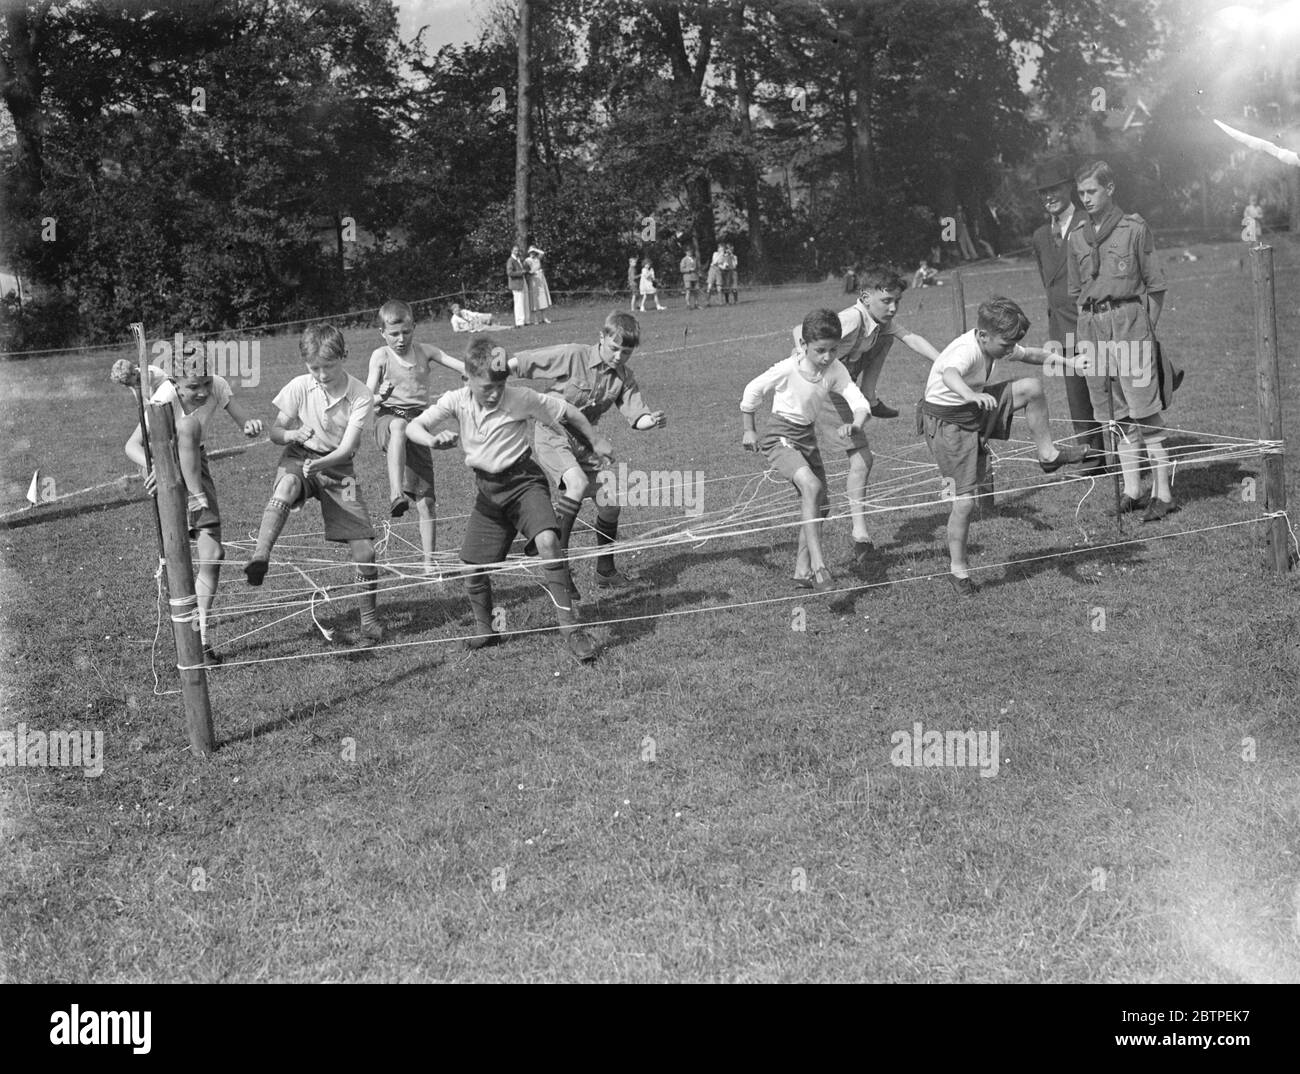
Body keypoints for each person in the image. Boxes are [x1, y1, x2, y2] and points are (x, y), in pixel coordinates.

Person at [404, 338, 615, 662]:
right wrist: (432, 439)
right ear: (468, 379)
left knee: (547, 540)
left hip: (524, 482)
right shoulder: (455, 400)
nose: (494, 393)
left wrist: (597, 440)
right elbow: (413, 427)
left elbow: (568, 411)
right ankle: (485, 630)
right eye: (486, 387)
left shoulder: (521, 398)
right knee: (470, 569)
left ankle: (571, 630)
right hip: (489, 493)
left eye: (499, 386)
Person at [920, 297, 1102, 596]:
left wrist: (1070, 363)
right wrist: (970, 395)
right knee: (964, 503)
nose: (1009, 350)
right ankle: (958, 571)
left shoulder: (995, 343)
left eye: (1010, 345)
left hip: (976, 405)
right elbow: (949, 375)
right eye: (1005, 345)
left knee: (1031, 387)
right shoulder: (965, 350)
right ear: (982, 336)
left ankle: (1048, 454)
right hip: (949, 424)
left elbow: (1031, 354)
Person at [244, 324, 383, 645]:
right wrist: (292, 435)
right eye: (314, 367)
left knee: (365, 550)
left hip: (338, 467)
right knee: (287, 485)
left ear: (344, 356)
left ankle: (369, 621)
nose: (321, 374)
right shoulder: (298, 386)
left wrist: (320, 465)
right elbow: (276, 433)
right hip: (299, 456)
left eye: (328, 366)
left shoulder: (360, 394)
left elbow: (348, 448)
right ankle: (260, 556)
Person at [509, 311, 666, 597]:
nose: (619, 356)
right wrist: (490, 371)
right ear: (602, 337)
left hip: (587, 443)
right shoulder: (573, 355)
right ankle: (560, 569)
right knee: (577, 485)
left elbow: (637, 415)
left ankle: (605, 572)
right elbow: (526, 361)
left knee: (612, 502)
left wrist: (650, 421)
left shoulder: (624, 378)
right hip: (553, 435)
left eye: (626, 352)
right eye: (614, 348)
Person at [793, 266, 944, 560]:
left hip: (845, 386)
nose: (893, 307)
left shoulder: (878, 321)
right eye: (886, 300)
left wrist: (944, 362)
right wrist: (806, 369)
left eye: (897, 301)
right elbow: (800, 332)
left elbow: (911, 338)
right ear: (865, 296)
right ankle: (859, 534)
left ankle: (870, 397)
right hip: (827, 390)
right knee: (862, 460)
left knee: (888, 335)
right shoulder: (851, 318)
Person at [124, 350, 264, 666]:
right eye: (192, 387)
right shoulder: (163, 397)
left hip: (197, 469)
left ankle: (200, 640)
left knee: (213, 556)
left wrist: (250, 424)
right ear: (175, 383)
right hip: (166, 471)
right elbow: (132, 445)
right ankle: (185, 636)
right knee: (178, 562)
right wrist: (157, 470)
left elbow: (242, 418)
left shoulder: (217, 386)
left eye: (205, 383)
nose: (201, 392)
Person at [1067, 160, 1178, 523]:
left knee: (1145, 412)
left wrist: (1144, 331)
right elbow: (1076, 292)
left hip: (1129, 323)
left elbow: (1156, 285)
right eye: (1081, 193)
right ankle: (1132, 490)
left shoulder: (1134, 228)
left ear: (1110, 188)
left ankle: (1163, 493)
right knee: (1115, 416)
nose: (1085, 199)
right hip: (1092, 327)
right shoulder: (1077, 236)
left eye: (1092, 191)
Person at [742, 308, 871, 592]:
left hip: (806, 437)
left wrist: (857, 424)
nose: (827, 357)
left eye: (833, 350)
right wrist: (749, 428)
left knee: (821, 505)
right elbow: (753, 390)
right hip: (779, 436)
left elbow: (859, 402)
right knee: (811, 487)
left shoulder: (835, 369)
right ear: (803, 345)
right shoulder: (788, 368)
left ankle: (801, 572)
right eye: (820, 350)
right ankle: (819, 566)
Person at [1030, 157, 1105, 463]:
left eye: (1055, 189)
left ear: (1069, 189)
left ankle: (1131, 462)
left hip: (1093, 324)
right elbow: (1051, 286)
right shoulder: (1039, 236)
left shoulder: (1090, 222)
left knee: (1108, 393)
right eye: (1042, 192)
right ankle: (1092, 459)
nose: (1049, 196)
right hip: (1063, 329)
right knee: (1077, 397)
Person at [506, 245, 532, 328]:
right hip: (516, 284)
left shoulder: (519, 260)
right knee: (519, 303)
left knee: (525, 301)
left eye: (517, 251)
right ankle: (520, 321)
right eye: (515, 251)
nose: (517, 252)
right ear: (512, 251)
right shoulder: (510, 260)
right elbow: (509, 273)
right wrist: (521, 272)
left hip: (522, 281)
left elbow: (525, 268)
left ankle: (527, 320)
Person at [526, 246, 553, 323]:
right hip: (533, 280)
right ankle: (535, 319)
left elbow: (542, 253)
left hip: (540, 279)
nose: (532, 253)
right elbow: (526, 268)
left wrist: (534, 249)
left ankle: (544, 317)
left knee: (543, 298)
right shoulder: (528, 260)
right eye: (531, 252)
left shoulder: (537, 258)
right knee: (534, 299)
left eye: (533, 252)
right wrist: (530, 272)